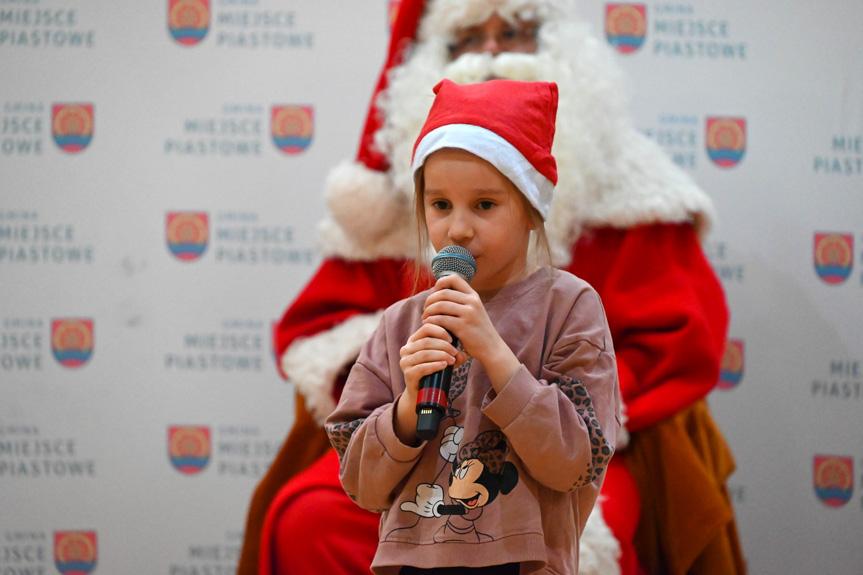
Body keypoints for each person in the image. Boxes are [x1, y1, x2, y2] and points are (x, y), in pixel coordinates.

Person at [239, 1, 745, 574]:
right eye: (467, 38)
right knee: (309, 517)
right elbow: (329, 349)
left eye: (514, 32)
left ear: (533, 212)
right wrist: (405, 398)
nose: (492, 52)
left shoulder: (604, 251)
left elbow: (668, 349)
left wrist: (508, 368)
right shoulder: (399, 289)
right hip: (421, 459)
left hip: (558, 449)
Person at [327, 77, 621, 575]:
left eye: (484, 205)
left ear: (532, 212)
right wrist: (405, 408)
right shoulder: (402, 323)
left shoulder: (569, 306)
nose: (457, 228)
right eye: (440, 205)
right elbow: (361, 483)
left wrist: (496, 353)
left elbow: (576, 461)